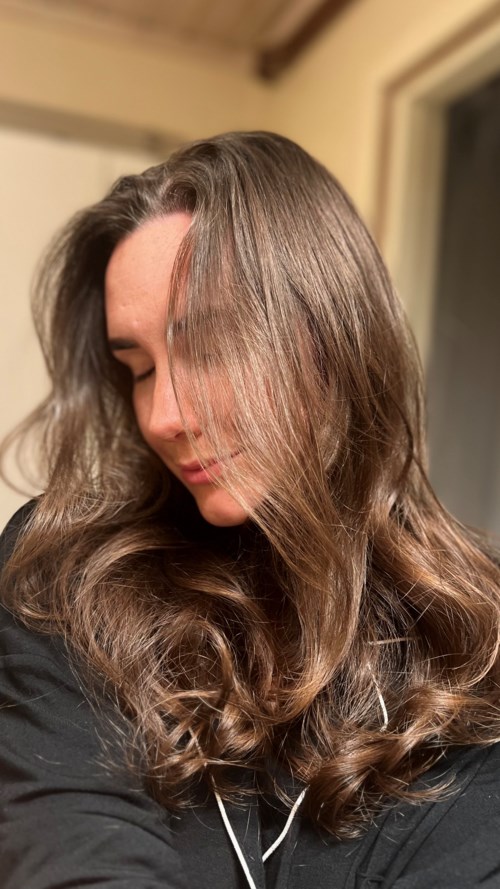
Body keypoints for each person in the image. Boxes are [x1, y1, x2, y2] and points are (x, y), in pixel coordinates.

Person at [1, 131, 500, 889]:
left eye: (208, 346)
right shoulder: (69, 577)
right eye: (139, 369)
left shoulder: (474, 642)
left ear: (335, 335)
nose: (164, 415)